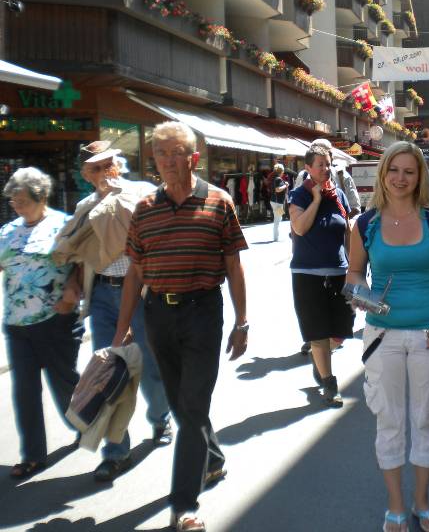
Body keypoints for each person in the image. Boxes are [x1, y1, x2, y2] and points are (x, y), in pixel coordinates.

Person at [113, 121, 249, 532]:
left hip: (202, 312)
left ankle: (184, 505)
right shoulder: (145, 209)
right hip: (158, 315)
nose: (168, 160)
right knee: (182, 405)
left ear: (194, 158)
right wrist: (122, 329)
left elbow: (233, 265)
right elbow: (135, 274)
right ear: (153, 159)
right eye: (160, 153)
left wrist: (242, 321)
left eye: (176, 153)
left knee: (191, 406)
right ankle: (213, 458)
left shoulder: (219, 202)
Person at [347, 141, 429, 532]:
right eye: (394, 170)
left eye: (409, 171)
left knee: (425, 419)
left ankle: (422, 501)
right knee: (389, 421)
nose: (400, 178)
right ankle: (396, 505)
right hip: (383, 335)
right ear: (383, 174)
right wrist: (361, 295)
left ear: (420, 176)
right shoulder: (365, 223)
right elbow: (355, 272)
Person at [53, 141, 172, 482]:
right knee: (108, 371)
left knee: (149, 368)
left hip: (140, 295)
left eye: (108, 164)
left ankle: (161, 418)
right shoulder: (85, 207)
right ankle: (116, 452)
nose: (104, 172)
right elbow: (78, 253)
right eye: (96, 168)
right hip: (104, 295)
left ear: (118, 164)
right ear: (85, 174)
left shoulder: (143, 193)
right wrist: (73, 284)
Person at [1, 167, 82, 479]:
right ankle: (33, 455)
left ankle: (85, 424)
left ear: (41, 197)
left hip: (55, 320)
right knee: (25, 390)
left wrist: (72, 291)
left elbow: (83, 264)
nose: (17, 207)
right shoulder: (8, 231)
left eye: (22, 201)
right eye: (13, 202)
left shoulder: (64, 225)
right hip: (16, 323)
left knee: (64, 385)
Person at [288, 144, 354, 408]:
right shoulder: (298, 195)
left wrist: (355, 265)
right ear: (308, 168)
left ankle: (320, 359)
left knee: (342, 330)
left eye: (328, 164)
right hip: (307, 273)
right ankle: (329, 382)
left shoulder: (338, 194)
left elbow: (347, 231)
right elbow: (300, 228)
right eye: (320, 165)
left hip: (338, 271)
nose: (326, 169)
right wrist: (316, 199)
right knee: (317, 331)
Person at [294, 138, 360, 217]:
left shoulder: (342, 175)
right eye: (316, 152)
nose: (322, 155)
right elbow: (295, 210)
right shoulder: (303, 176)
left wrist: (337, 220)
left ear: (331, 157)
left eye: (325, 153)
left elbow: (355, 207)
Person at [269, 163, 288, 242]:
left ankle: (276, 237)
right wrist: (286, 185)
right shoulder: (278, 179)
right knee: (277, 220)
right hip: (277, 202)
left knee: (278, 218)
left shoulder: (275, 178)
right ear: (281, 171)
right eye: (283, 171)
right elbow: (278, 189)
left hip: (275, 201)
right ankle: (276, 238)